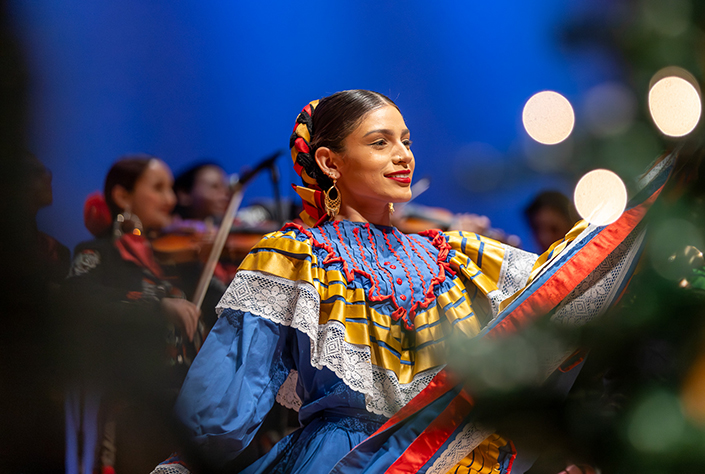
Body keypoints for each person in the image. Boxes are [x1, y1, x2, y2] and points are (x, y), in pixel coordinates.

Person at [155, 90, 668, 474]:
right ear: (330, 162)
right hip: (350, 458)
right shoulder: (292, 257)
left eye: (405, 141)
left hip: (451, 455)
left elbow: (561, 286)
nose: (403, 156)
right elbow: (227, 391)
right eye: (380, 143)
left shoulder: (452, 254)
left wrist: (655, 193)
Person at [63, 156, 201, 474]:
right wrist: (158, 306)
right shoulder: (97, 253)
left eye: (171, 189)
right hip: (126, 406)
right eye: (158, 188)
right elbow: (79, 299)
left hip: (180, 408)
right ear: (123, 197)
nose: (171, 199)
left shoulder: (177, 259)